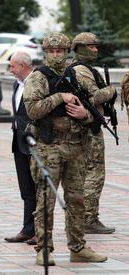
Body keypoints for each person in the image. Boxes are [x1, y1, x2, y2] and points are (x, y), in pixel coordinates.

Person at [23, 32, 107, 266]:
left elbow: (91, 108)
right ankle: (44, 249)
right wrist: (60, 97)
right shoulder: (38, 78)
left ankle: (77, 247)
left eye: (60, 51)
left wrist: (85, 115)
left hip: (75, 146)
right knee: (46, 200)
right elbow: (33, 111)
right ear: (46, 52)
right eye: (52, 51)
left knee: (77, 199)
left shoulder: (74, 76)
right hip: (48, 147)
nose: (56, 55)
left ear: (67, 51)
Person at [70, 32, 116, 234]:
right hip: (88, 128)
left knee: (88, 174)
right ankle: (89, 218)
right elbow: (94, 96)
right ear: (79, 47)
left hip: (88, 126)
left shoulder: (83, 69)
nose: (95, 50)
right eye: (91, 46)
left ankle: (86, 217)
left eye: (96, 46)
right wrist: (111, 90)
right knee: (94, 174)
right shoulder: (81, 70)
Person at [4, 51, 36, 246]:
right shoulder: (17, 84)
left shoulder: (37, 83)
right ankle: (27, 229)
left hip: (34, 143)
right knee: (26, 189)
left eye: (13, 66)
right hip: (18, 143)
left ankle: (40, 231)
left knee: (39, 189)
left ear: (23, 66)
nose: (11, 70)